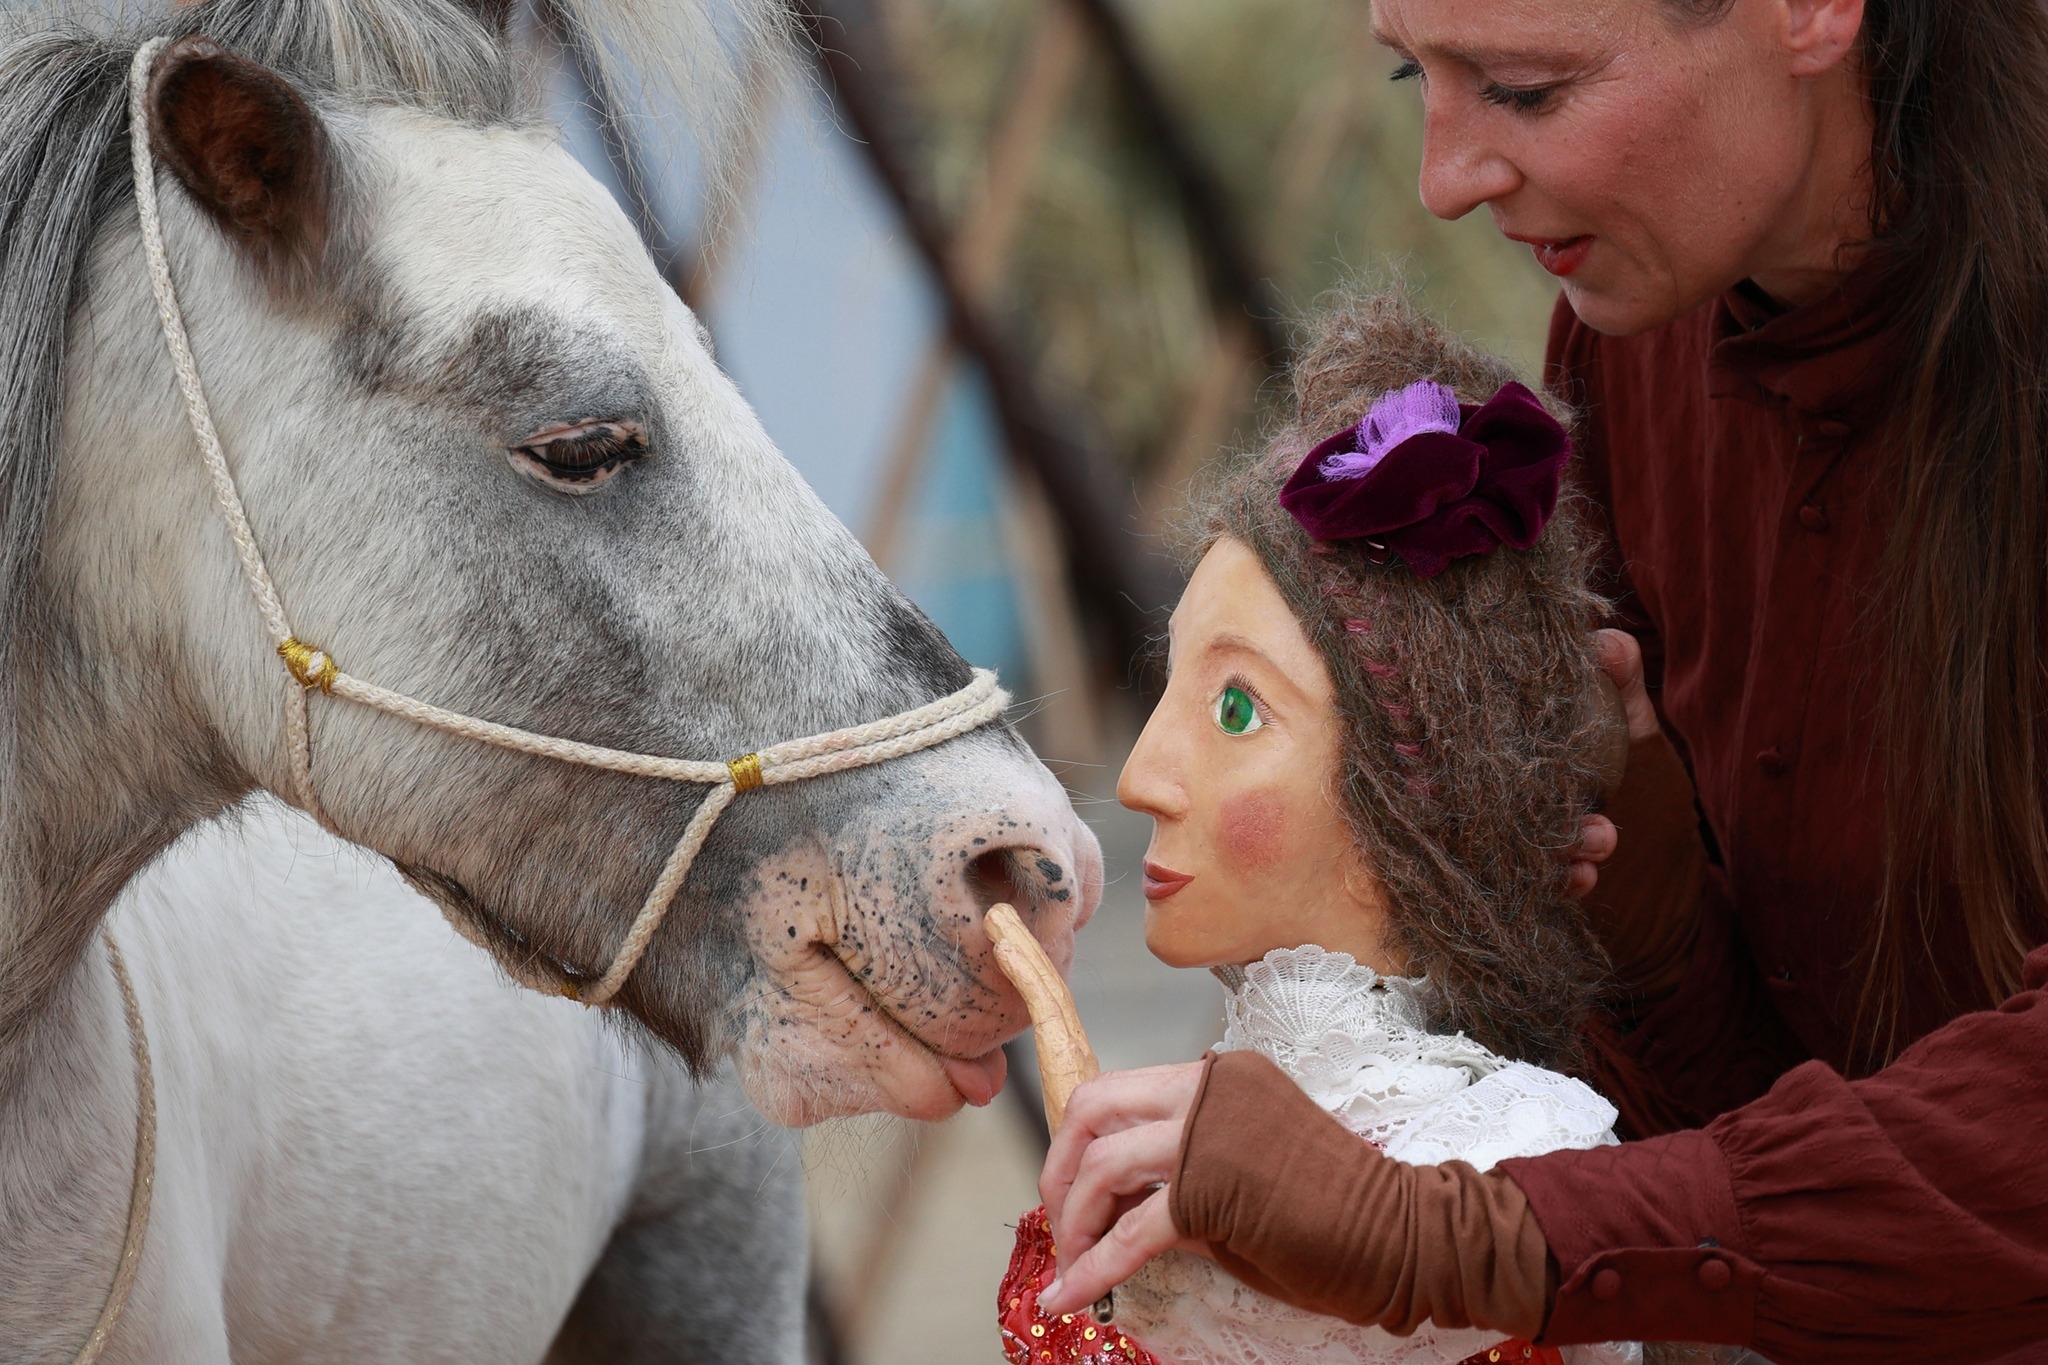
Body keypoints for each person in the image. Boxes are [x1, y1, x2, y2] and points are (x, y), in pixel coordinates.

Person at [1033, 2, 2048, 1362]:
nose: (1442, 180)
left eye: (1523, 89)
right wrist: (1656, 919)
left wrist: (1459, 1232)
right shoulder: (1637, 336)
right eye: (1414, 74)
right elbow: (1753, 1121)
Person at [997, 291, 1646, 1365]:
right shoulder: (1172, 1134)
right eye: (1167, 690)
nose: (1143, 774)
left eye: (1235, 710)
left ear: (1414, 789)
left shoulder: (1511, 1162)